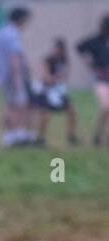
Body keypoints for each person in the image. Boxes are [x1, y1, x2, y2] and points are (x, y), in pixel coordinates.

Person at [0, 7, 37, 148]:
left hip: (5, 75)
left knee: (11, 105)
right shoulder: (12, 34)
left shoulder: (3, 32)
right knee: (18, 105)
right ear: (21, 19)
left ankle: (11, 135)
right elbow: (14, 57)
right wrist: (18, 78)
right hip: (14, 76)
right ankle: (15, 135)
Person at [33, 38, 79, 146]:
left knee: (72, 112)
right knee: (46, 114)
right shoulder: (48, 60)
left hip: (57, 90)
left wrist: (59, 79)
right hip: (46, 91)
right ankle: (40, 138)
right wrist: (54, 79)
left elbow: (65, 75)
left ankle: (71, 136)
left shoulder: (64, 60)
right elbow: (45, 77)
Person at [76, 15, 109, 148]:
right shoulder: (97, 41)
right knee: (106, 107)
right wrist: (90, 64)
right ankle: (99, 134)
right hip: (101, 79)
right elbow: (80, 47)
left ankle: (100, 136)